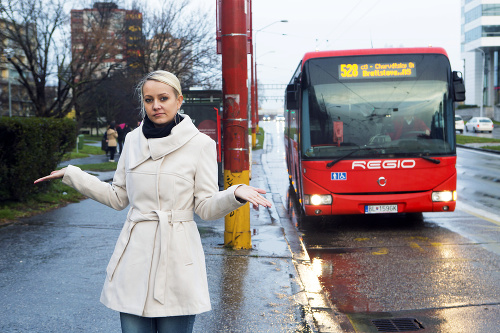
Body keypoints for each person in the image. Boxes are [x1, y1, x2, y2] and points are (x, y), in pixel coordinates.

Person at [34, 70, 271, 333]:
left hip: (178, 259)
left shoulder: (200, 144)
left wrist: (233, 194)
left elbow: (204, 207)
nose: (156, 105)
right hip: (135, 257)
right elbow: (118, 197)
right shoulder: (132, 140)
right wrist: (74, 175)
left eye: (163, 98)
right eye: (148, 100)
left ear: (179, 100)